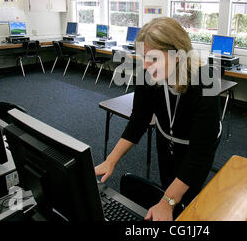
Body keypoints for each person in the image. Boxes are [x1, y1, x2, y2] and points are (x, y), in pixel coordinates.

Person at [95, 17, 222, 221]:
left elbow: (200, 154)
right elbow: (138, 121)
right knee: (168, 182)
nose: (145, 65)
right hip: (166, 137)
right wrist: (110, 161)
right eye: (144, 56)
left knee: (186, 199)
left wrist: (166, 202)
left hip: (196, 145)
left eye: (154, 58)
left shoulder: (206, 81)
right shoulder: (148, 74)